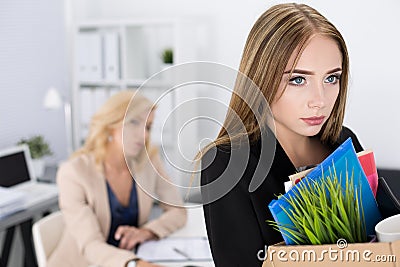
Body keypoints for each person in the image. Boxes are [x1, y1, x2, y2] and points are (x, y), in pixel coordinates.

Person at [200, 3, 364, 266]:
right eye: (298, 80)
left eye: (331, 78)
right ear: (260, 77)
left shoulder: (344, 141)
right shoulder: (226, 163)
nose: (319, 100)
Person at [48, 90, 187, 267]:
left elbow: (178, 210)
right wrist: (136, 264)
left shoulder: (149, 161)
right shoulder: (74, 173)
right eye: (134, 123)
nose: (143, 135)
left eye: (148, 127)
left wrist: (146, 232)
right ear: (111, 124)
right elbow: (91, 245)